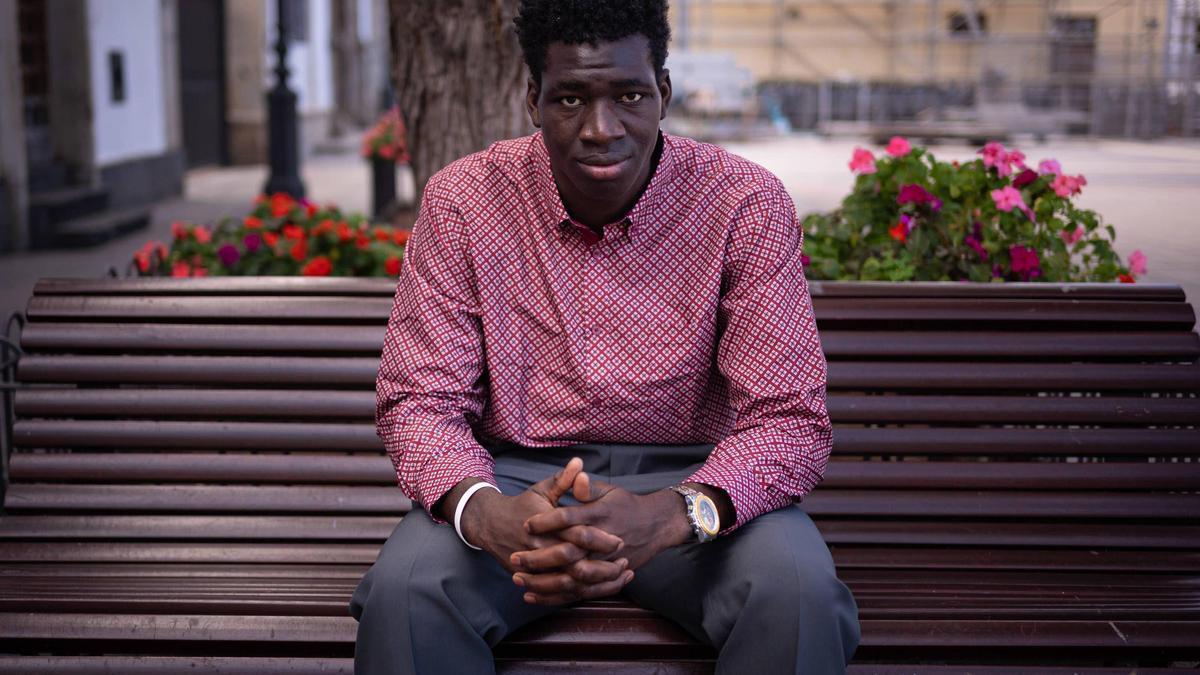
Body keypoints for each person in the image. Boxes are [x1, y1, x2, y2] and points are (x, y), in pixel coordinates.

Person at [349, 0, 860, 672]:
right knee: (408, 592)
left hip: (699, 490)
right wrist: (483, 511)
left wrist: (678, 512)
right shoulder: (464, 203)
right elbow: (419, 401)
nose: (601, 127)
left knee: (796, 592)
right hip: (514, 485)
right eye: (569, 98)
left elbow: (788, 419)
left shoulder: (743, 203)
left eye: (629, 94)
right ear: (532, 99)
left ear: (664, 94)